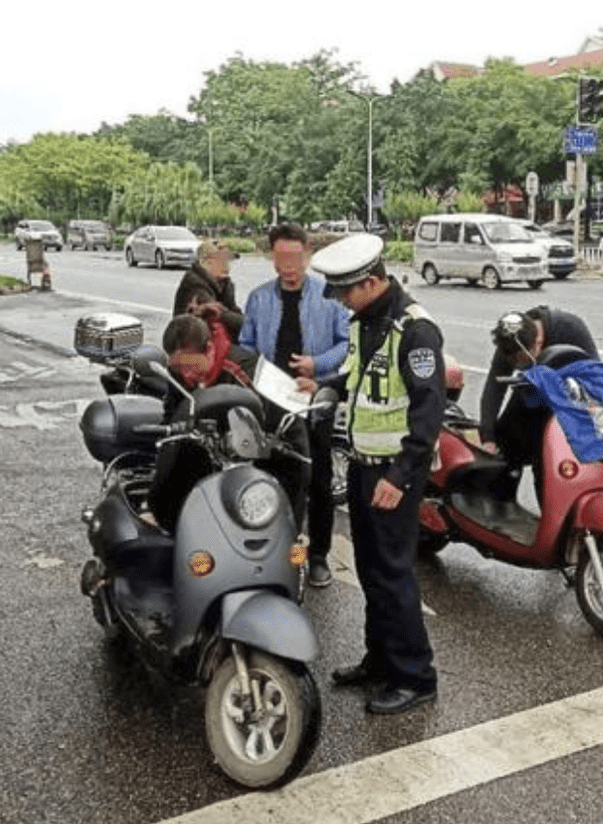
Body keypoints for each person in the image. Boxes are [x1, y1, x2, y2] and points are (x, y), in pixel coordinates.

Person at [304, 233, 444, 716]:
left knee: (394, 573)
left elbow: (428, 414)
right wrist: (319, 384)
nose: (342, 300)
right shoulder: (367, 323)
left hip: (392, 475)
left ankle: (415, 675)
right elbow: (359, 377)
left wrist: (401, 477)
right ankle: (381, 659)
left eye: (346, 291)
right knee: (369, 570)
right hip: (365, 468)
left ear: (371, 282)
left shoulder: (416, 330)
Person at [240, 223, 350, 588]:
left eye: (296, 256)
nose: (289, 264)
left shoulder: (330, 297)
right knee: (270, 477)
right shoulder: (258, 298)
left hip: (314, 400)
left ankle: (316, 556)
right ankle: (275, 553)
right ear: (273, 257)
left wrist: (316, 366)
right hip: (271, 404)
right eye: (281, 257)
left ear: (307, 255)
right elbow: (246, 346)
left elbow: (347, 345)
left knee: (317, 482)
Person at [156, 313, 310, 533]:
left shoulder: (245, 371)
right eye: (180, 369)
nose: (187, 376)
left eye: (191, 367)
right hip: (215, 446)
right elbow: (172, 413)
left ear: (209, 348)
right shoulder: (179, 371)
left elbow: (282, 425)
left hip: (276, 448)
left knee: (275, 527)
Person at [480, 306, 597, 500]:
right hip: (533, 393)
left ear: (537, 344)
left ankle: (556, 513)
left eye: (520, 361)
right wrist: (489, 437)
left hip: (572, 400)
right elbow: (494, 387)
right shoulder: (511, 338)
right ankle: (501, 502)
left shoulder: (571, 330)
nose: (516, 365)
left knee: (548, 461)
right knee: (505, 440)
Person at [173, 240, 244, 342]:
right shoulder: (194, 283)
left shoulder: (222, 283)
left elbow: (234, 311)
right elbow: (219, 313)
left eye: (228, 260)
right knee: (248, 355)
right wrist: (251, 324)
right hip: (191, 345)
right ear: (204, 263)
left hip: (212, 341)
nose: (227, 265)